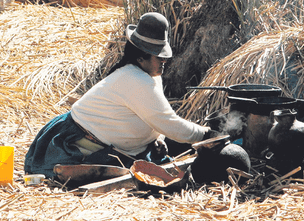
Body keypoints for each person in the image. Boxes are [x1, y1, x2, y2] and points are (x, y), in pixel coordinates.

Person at [24, 12, 217, 178]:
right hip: (75, 143)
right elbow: (169, 123)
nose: (164, 62)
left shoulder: (150, 74)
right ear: (141, 58)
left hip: (123, 147)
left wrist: (159, 139)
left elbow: (156, 117)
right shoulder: (134, 80)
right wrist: (207, 135)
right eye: (159, 58)